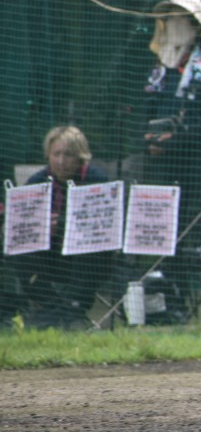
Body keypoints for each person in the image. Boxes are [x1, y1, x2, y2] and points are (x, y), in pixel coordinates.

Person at [141, 0, 201, 231]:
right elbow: (149, 105)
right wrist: (149, 138)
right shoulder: (161, 66)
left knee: (199, 219)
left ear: (194, 26)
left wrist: (180, 138)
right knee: (167, 220)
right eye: (170, 19)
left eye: (180, 19)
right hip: (166, 157)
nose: (173, 25)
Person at [7, 126, 113, 328]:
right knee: (19, 252)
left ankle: (74, 307)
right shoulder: (36, 181)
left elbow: (100, 226)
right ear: (48, 155)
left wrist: (63, 226)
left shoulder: (97, 179)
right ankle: (51, 307)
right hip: (50, 256)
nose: (61, 161)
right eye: (56, 154)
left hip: (89, 258)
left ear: (80, 156)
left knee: (89, 251)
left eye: (68, 155)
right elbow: (24, 224)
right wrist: (43, 229)